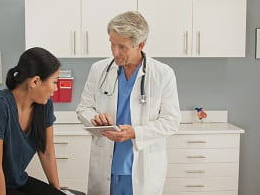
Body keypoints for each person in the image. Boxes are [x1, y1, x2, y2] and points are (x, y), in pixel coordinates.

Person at [76, 11, 181, 195]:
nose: (115, 52)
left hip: (142, 166)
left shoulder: (162, 74)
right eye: (112, 44)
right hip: (106, 164)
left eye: (122, 47)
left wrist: (136, 132)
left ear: (140, 44)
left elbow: (171, 121)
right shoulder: (99, 69)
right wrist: (96, 119)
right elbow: (84, 108)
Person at [0, 47, 66, 195]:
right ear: (35, 81)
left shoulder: (44, 105)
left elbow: (47, 151)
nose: (55, 89)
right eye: (54, 82)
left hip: (14, 180)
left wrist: (56, 192)